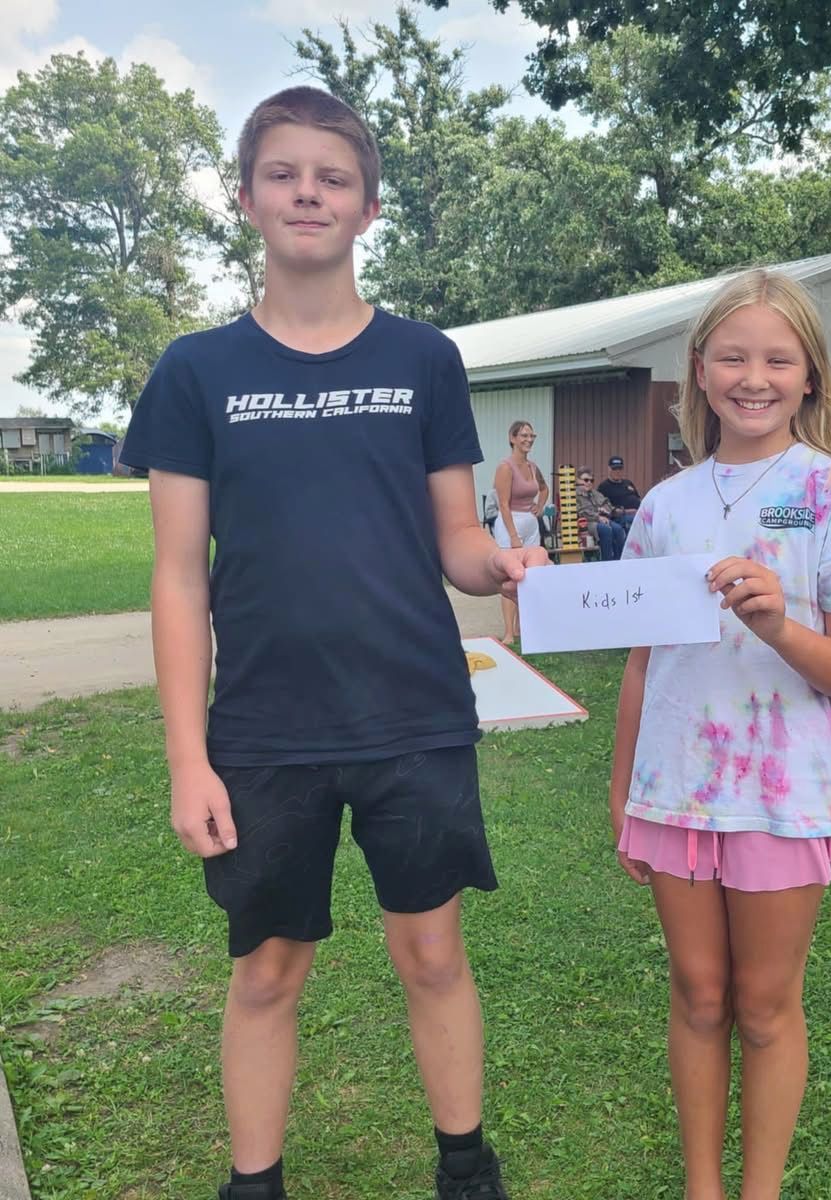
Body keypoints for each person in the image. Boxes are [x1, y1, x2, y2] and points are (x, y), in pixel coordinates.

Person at [119, 87, 540, 1200]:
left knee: (433, 954)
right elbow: (176, 577)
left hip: (414, 715)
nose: (309, 192)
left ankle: (465, 1166)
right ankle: (253, 1182)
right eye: (286, 173)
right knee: (266, 970)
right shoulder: (194, 372)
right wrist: (187, 757)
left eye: (334, 177)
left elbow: (457, 536)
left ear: (368, 206)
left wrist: (498, 565)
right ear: (246, 196)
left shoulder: (425, 360)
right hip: (262, 730)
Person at [611, 268, 831, 1200]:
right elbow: (639, 662)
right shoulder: (662, 507)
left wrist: (780, 623)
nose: (754, 376)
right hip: (675, 789)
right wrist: (623, 790)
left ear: (810, 376)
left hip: (786, 797)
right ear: (699, 372)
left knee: (766, 1007)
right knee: (698, 998)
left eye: (779, 358)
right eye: (732, 356)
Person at [493, 420, 549, 643]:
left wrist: (540, 506)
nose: (528, 440)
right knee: (510, 575)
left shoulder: (533, 467)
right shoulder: (505, 467)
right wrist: (514, 536)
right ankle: (508, 632)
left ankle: (521, 628)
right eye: (524, 436)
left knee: (529, 575)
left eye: (531, 436)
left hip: (530, 523)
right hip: (510, 524)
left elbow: (543, 488)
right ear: (512, 438)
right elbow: (503, 504)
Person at [576, 466, 627, 560]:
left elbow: (607, 503)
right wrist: (598, 517)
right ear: (578, 480)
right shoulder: (573, 494)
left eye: (592, 480)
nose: (589, 483)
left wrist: (607, 510)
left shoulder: (595, 493)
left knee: (618, 529)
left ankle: (619, 561)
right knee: (605, 530)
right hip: (584, 523)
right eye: (586, 480)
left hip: (601, 520)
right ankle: (606, 562)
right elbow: (581, 512)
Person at [596, 455, 643, 530]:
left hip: (638, 513)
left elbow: (638, 498)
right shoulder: (604, 487)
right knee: (635, 521)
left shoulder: (628, 483)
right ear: (609, 469)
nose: (617, 471)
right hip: (620, 517)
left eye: (620, 468)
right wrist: (627, 512)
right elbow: (605, 509)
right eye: (614, 469)